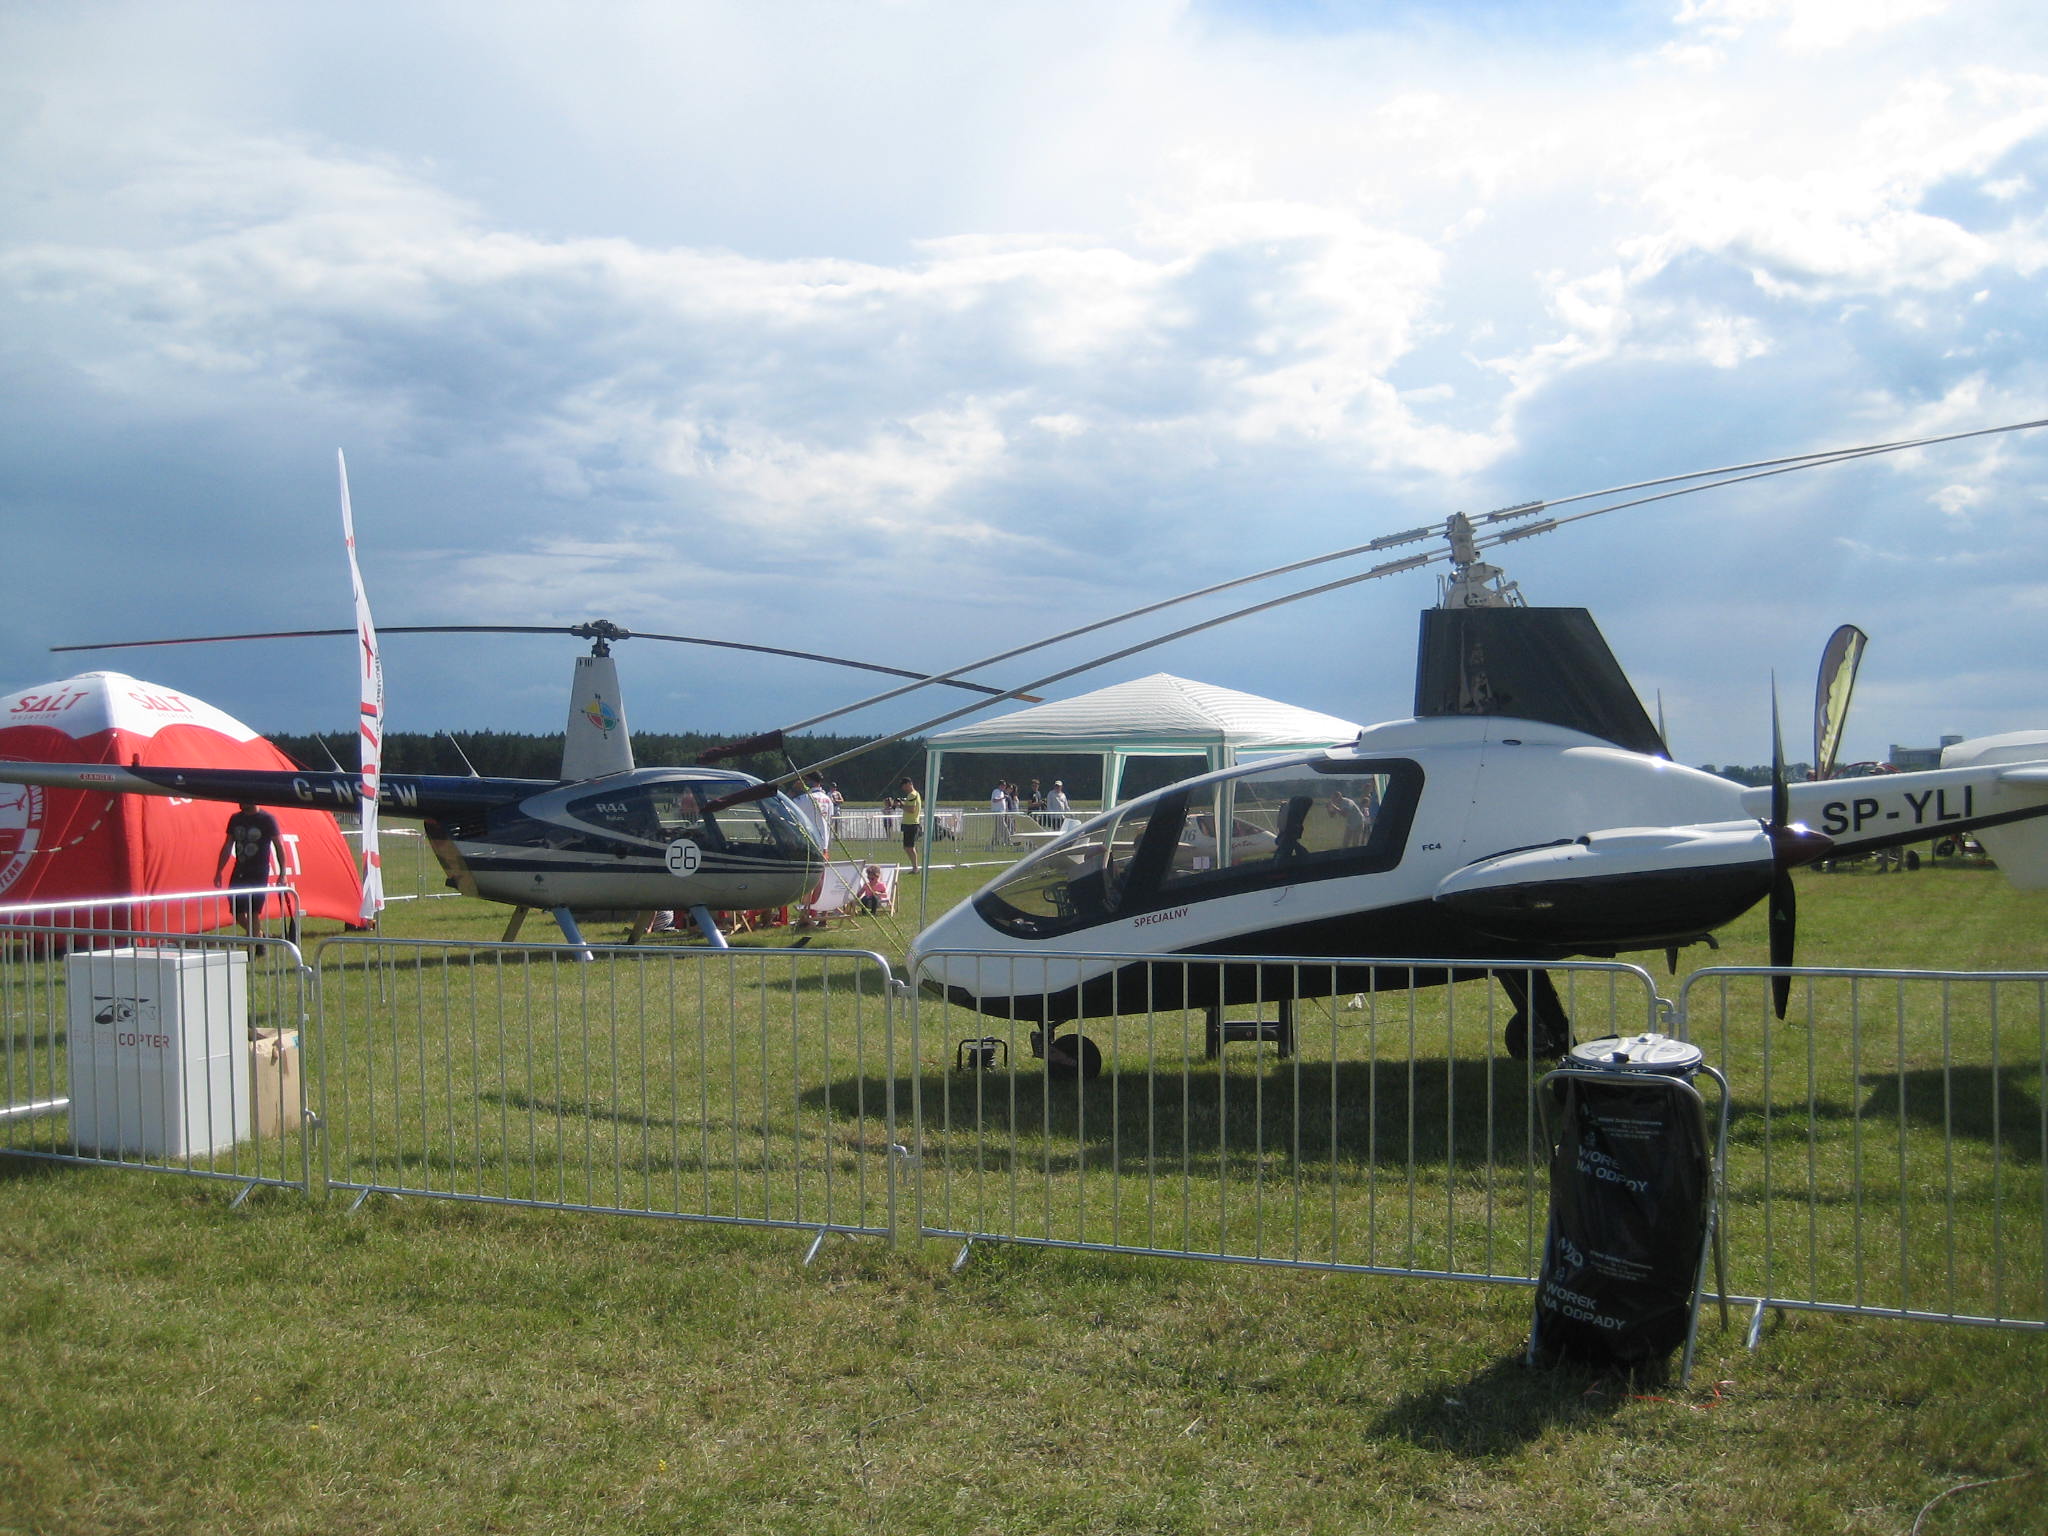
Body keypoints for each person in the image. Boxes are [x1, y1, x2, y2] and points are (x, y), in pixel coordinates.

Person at [215, 801, 283, 937]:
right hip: (240, 870)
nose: (240, 803)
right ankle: (259, 936)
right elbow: (228, 845)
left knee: (254, 911)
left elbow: (279, 846)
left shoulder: (267, 819)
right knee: (237, 910)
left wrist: (283, 874)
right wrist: (219, 871)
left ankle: (254, 945)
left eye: (244, 799)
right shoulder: (236, 819)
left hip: (259, 871)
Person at [897, 777, 924, 871]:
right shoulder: (914, 794)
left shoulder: (912, 795)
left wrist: (900, 805)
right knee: (907, 847)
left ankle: (915, 867)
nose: (903, 788)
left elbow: (911, 809)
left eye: (904, 786)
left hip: (911, 824)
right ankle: (915, 867)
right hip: (909, 823)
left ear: (909, 784)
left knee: (909, 848)